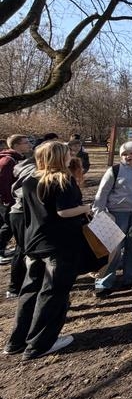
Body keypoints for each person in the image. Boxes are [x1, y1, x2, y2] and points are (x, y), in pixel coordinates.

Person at [3, 140, 89, 360]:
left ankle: (16, 341)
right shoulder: (62, 180)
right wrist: (85, 208)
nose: (70, 156)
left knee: (30, 291)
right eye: (67, 153)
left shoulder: (30, 180)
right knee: (53, 293)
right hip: (60, 244)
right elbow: (64, 212)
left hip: (34, 242)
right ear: (60, 157)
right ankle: (40, 343)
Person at [91, 141, 132, 297]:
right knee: (112, 250)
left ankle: (131, 278)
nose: (128, 156)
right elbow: (102, 193)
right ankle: (104, 283)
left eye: (131, 153)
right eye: (124, 154)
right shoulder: (114, 170)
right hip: (116, 215)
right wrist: (99, 212)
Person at [7, 151, 36, 298]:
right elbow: (25, 193)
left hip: (21, 212)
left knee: (24, 249)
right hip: (24, 213)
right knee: (24, 249)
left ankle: (18, 285)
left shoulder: (25, 167)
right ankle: (15, 287)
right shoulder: (34, 171)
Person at [0, 135, 32, 265]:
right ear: (16, 145)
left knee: (8, 227)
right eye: (26, 142)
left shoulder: (16, 159)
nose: (29, 144)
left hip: (10, 200)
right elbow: (4, 183)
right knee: (7, 227)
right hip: (7, 201)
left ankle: (2, 249)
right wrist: (9, 201)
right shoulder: (8, 161)